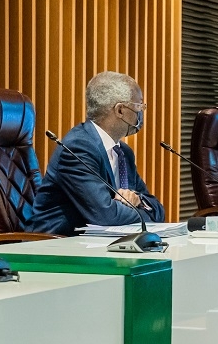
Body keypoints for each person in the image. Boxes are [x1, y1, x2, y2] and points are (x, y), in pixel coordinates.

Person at [31, 71, 165, 235]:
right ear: (120, 110)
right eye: (139, 107)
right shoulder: (78, 147)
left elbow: (158, 209)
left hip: (100, 244)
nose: (141, 113)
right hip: (56, 245)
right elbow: (106, 215)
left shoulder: (124, 153)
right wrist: (141, 211)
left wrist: (139, 201)